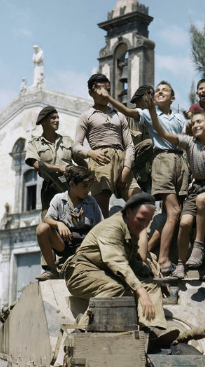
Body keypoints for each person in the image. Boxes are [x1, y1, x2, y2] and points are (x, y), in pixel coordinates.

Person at [64, 193, 179, 346]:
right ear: (128, 212)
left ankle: (151, 328)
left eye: (148, 222)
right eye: (141, 220)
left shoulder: (131, 229)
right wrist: (140, 291)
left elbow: (131, 261)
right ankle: (82, 330)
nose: (144, 226)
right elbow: (117, 262)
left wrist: (151, 277)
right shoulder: (113, 227)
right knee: (114, 287)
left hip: (106, 272)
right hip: (81, 273)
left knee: (150, 285)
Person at [101, 81, 188, 274]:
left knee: (172, 214)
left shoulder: (178, 116)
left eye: (163, 90)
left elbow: (186, 135)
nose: (158, 93)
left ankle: (148, 253)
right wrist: (108, 98)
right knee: (171, 211)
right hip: (156, 163)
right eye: (156, 91)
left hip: (179, 161)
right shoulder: (145, 114)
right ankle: (161, 259)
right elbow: (128, 113)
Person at [149, 101, 205, 279]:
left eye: (200, 122)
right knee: (184, 223)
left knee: (203, 202)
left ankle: (198, 247)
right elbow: (162, 133)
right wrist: (153, 111)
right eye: (193, 123)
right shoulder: (189, 142)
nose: (196, 125)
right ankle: (182, 264)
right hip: (196, 187)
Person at [73, 74, 141, 218]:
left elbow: (129, 145)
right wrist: (90, 153)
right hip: (100, 162)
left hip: (122, 161)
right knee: (101, 213)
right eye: (100, 89)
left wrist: (126, 168)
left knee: (140, 204)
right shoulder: (86, 116)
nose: (104, 93)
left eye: (107, 89)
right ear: (91, 92)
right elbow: (76, 147)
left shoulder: (119, 115)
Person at [35, 166, 103, 281]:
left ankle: (76, 262)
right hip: (63, 242)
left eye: (89, 186)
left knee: (81, 263)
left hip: (84, 243)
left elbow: (101, 226)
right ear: (72, 184)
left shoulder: (91, 202)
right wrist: (58, 224)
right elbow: (47, 219)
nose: (88, 190)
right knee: (42, 228)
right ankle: (51, 270)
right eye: (84, 186)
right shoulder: (59, 199)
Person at [25, 106, 82, 215]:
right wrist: (59, 168)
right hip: (50, 186)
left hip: (71, 185)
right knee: (48, 222)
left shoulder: (67, 140)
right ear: (43, 121)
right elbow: (36, 164)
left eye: (57, 118)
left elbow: (80, 161)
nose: (57, 120)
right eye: (53, 118)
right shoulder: (34, 144)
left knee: (75, 219)